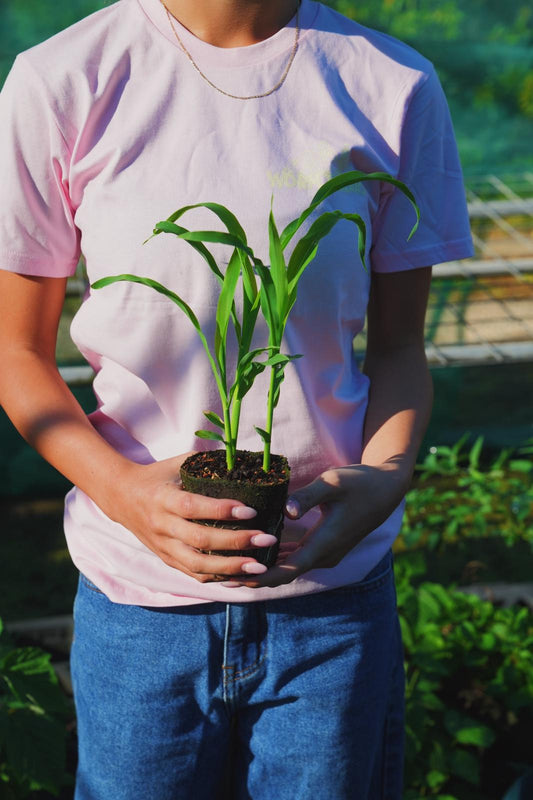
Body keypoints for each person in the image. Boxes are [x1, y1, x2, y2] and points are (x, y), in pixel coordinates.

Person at [0, 0, 474, 797]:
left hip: (332, 600)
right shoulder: (63, 79)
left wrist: (386, 474)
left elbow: (397, 347)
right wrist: (123, 494)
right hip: (136, 608)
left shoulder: (390, 84)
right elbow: (16, 351)